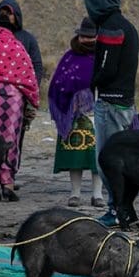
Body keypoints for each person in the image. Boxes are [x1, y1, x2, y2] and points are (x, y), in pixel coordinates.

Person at [80, 0, 139, 226]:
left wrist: (91, 84)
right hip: (124, 102)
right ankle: (126, 210)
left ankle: (116, 211)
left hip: (111, 102)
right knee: (121, 160)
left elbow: (107, 68)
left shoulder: (111, 28)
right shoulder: (127, 27)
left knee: (107, 160)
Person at [0, 18, 39, 201]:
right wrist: (32, 100)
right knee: (9, 139)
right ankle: (8, 183)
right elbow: (28, 74)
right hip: (12, 99)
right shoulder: (16, 45)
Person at [48, 17, 103, 207]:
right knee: (75, 156)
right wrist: (71, 100)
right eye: (83, 36)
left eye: (90, 36)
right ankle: (75, 193)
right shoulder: (69, 57)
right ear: (78, 36)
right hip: (73, 115)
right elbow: (58, 82)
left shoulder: (103, 56)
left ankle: (98, 195)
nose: (86, 40)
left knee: (98, 155)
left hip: (98, 112)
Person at [0, 0, 43, 85]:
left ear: (16, 16)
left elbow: (37, 66)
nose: (6, 16)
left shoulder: (28, 39)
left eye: (9, 13)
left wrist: (33, 89)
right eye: (3, 13)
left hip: (19, 90)